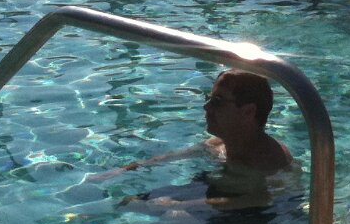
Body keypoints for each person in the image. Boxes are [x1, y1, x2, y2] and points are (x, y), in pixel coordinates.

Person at [110, 70, 296, 211]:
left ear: (248, 111)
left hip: (248, 213)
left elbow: (264, 199)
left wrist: (180, 206)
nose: (206, 107)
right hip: (214, 190)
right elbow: (169, 157)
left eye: (217, 101)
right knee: (129, 203)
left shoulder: (269, 161)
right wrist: (118, 171)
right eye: (209, 99)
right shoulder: (219, 143)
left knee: (173, 218)